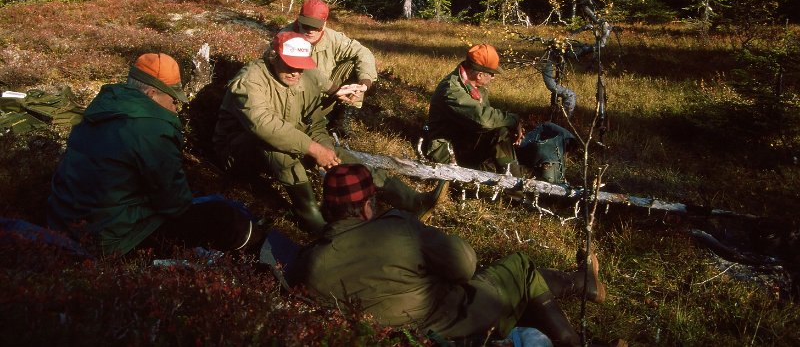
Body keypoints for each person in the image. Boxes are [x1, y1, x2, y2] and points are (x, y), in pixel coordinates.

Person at [290, 164, 621, 347]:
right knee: (518, 267)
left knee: (508, 284)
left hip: (397, 334)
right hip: (452, 324)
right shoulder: (396, 228)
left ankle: (580, 282)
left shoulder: (309, 263)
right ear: (367, 206)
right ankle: (574, 333)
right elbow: (465, 264)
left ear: (328, 209)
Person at [213, 32, 446, 234]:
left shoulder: (308, 77)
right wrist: (313, 149)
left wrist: (326, 151)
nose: (295, 72)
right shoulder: (250, 80)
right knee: (275, 148)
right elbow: (264, 126)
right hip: (238, 152)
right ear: (274, 57)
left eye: (300, 66)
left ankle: (412, 201)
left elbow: (314, 123)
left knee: (341, 157)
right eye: (289, 65)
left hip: (293, 138)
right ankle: (313, 219)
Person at [47, 53, 260, 256]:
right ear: (152, 94)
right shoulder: (152, 128)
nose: (175, 108)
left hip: (64, 225)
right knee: (224, 217)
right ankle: (267, 255)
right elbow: (174, 204)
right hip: (112, 241)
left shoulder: (104, 106)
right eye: (173, 99)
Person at [423, 44, 525, 174]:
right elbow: (483, 119)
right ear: (480, 75)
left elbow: (485, 120)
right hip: (446, 151)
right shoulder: (452, 90)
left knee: (503, 133)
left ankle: (513, 176)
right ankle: (516, 190)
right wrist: (514, 120)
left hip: (463, 140)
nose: (493, 77)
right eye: (492, 74)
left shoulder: (474, 87)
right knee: (500, 133)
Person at [280, 0, 378, 134]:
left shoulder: (334, 38)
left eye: (315, 26)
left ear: (324, 24)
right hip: (295, 97)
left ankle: (342, 117)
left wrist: (364, 83)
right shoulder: (285, 38)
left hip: (327, 92)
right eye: (306, 25)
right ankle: (308, 118)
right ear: (299, 20)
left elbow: (364, 53)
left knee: (353, 64)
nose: (310, 31)